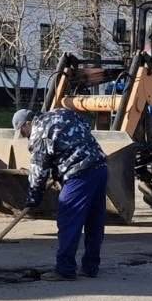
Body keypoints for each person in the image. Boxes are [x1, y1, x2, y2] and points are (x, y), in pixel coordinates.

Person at [14, 105, 109, 281]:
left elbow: (38, 170)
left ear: (28, 123)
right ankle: (90, 267)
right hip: (100, 167)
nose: (25, 135)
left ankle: (65, 269)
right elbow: (84, 128)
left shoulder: (39, 132)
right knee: (94, 221)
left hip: (79, 173)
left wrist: (33, 197)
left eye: (23, 131)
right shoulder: (62, 113)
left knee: (68, 219)